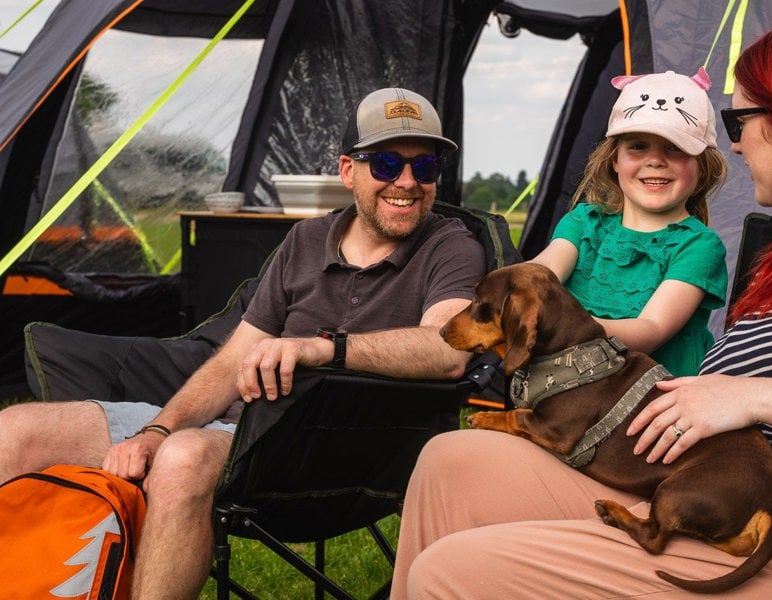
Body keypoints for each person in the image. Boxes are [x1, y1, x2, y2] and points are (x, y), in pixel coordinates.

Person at [390, 13, 772, 598]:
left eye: (741, 119)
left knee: (453, 572)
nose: (733, 142)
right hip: (689, 484)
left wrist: (757, 396)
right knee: (452, 464)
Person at [0, 87, 486, 599]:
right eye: (387, 163)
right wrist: (157, 428)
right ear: (348, 170)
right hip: (233, 427)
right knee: (15, 429)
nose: (407, 183)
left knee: (184, 457)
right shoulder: (303, 240)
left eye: (425, 167)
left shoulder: (451, 246)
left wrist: (326, 348)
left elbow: (449, 349)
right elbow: (233, 357)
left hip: (335, 446)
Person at [530, 68, 727, 376]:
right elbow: (540, 275)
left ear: (701, 166)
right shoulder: (585, 222)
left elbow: (651, 330)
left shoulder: (698, 245)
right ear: (615, 160)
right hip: (566, 390)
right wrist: (515, 295)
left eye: (675, 148)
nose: (655, 160)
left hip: (652, 400)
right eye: (637, 146)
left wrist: (562, 325)